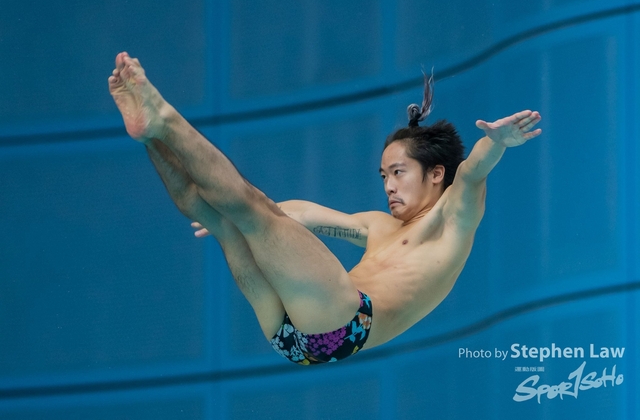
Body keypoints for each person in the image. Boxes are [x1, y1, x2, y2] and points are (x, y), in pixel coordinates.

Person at [108, 52, 542, 365]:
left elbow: (472, 172)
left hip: (346, 322)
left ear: (435, 174)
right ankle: (151, 136)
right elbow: (308, 215)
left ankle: (164, 117)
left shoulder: (451, 220)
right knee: (218, 217)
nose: (388, 186)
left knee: (248, 208)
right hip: (293, 337)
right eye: (383, 176)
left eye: (398, 172)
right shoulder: (378, 226)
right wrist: (257, 214)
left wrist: (498, 142)